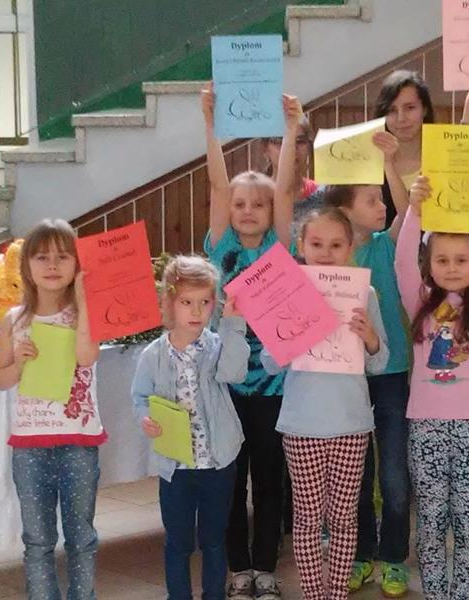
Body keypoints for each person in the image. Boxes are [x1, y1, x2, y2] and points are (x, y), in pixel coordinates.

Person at [200, 84, 300, 599]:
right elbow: (218, 187)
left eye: (257, 204)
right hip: (226, 385)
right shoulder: (219, 247)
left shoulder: (280, 246)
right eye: (239, 204)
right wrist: (210, 124)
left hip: (274, 387)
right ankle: (238, 567)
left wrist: (292, 128)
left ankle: (265, 567)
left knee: (269, 478)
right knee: (231, 479)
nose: (246, 210)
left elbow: (286, 190)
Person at [394, 170, 469, 599]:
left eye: (461, 260)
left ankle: (461, 594)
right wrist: (414, 211)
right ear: (429, 265)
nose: (451, 267)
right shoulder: (419, 302)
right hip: (426, 426)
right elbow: (401, 263)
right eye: (442, 260)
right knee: (429, 521)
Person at [262, 206, 389, 600]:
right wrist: (292, 332)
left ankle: (337, 594)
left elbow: (380, 362)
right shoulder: (287, 293)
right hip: (302, 425)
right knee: (306, 519)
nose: (326, 252)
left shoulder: (365, 294)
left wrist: (369, 338)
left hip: (351, 424)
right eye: (316, 244)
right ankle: (314, 594)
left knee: (345, 519)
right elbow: (269, 362)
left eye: (336, 245)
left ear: (351, 248)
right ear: (301, 245)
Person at [0, 219, 107, 600]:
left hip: (78, 442)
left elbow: (86, 357)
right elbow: (0, 379)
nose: (53, 265)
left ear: (77, 264)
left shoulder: (84, 315)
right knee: (38, 541)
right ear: (26, 266)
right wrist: (19, 363)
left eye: (63, 256)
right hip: (30, 446)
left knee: (81, 537)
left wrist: (85, 302)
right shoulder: (14, 319)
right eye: (42, 257)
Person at [321, 130, 410, 596]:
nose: (382, 207)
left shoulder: (384, 245)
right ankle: (359, 554)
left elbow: (407, 214)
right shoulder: (326, 256)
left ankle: (394, 557)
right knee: (355, 474)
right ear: (344, 209)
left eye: (381, 198)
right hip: (344, 378)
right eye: (371, 200)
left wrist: (390, 164)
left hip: (390, 373)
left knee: (394, 473)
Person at [131, 255, 249, 600]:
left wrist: (233, 325)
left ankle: (214, 594)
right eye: (186, 302)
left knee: (214, 539)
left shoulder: (217, 345)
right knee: (178, 541)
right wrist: (145, 419)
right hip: (176, 467)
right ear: (170, 303)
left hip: (217, 463)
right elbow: (140, 397)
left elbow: (235, 373)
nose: (196, 311)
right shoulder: (153, 355)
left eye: (204, 302)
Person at [373, 70, 435, 224]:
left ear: (425, 109)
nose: (401, 118)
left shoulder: (442, 157)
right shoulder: (369, 163)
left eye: (410, 108)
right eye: (392, 111)